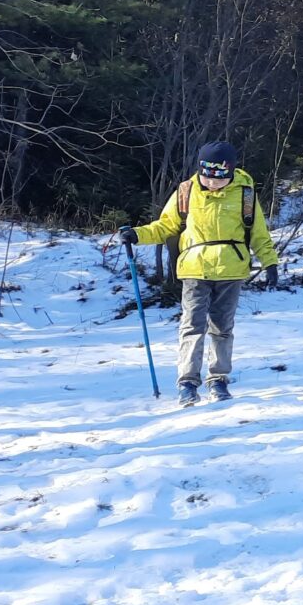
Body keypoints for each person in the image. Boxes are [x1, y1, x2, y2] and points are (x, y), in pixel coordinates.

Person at [117, 141, 279, 407]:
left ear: (230, 173)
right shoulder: (185, 192)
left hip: (231, 270)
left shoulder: (245, 195)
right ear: (200, 170)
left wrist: (270, 263)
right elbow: (165, 226)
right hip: (195, 269)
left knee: (222, 328)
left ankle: (218, 379)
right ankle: (187, 382)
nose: (213, 183)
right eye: (207, 176)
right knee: (192, 326)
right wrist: (137, 235)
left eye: (220, 178)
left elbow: (259, 234)